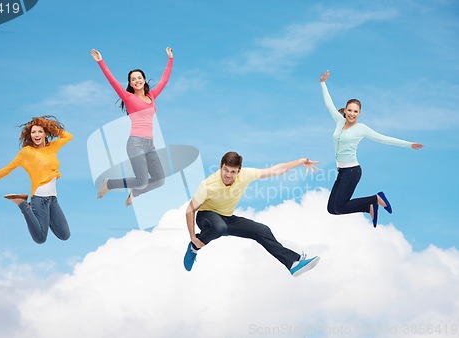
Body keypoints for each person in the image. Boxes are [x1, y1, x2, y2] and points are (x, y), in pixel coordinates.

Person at [183, 151, 321, 277]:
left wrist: (300, 161)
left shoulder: (245, 175)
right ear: (220, 166)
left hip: (227, 218)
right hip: (206, 216)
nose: (228, 175)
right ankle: (194, 247)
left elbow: (275, 171)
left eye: (233, 171)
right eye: (225, 170)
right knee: (219, 227)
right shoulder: (207, 185)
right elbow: (190, 210)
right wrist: (193, 237)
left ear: (239, 171)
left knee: (262, 230)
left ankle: (293, 263)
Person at [320, 70, 423, 227]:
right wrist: (323, 83)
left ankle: (375, 199)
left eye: (355, 111)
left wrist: (409, 144)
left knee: (339, 207)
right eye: (349, 110)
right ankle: (368, 207)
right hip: (341, 171)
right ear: (345, 110)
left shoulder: (361, 128)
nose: (352, 114)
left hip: (352, 171)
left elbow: (383, 139)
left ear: (359, 113)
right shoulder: (339, 122)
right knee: (332, 209)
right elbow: (329, 104)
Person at [91, 47, 173, 206]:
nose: (137, 80)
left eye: (139, 77)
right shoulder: (128, 97)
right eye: (133, 79)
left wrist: (170, 59)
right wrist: (100, 61)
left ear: (144, 79)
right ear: (130, 83)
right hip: (135, 143)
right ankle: (109, 184)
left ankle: (135, 192)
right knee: (142, 181)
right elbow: (112, 81)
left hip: (150, 144)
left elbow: (165, 80)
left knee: (160, 180)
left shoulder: (152, 96)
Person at [0, 116, 72, 244]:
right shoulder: (27, 152)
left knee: (65, 235)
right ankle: (22, 204)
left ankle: (37, 215)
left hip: (53, 199)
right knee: (40, 238)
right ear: (29, 135)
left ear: (45, 133)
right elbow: (7, 169)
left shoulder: (52, 147)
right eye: (33, 132)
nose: (36, 135)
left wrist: (49, 126)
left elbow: (68, 136)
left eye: (39, 131)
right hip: (39, 198)